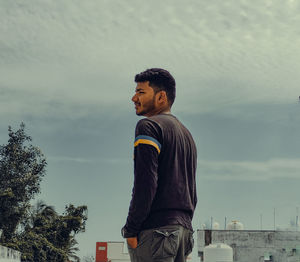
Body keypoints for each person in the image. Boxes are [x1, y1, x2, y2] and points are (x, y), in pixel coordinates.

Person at [122, 68, 197, 262]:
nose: (133, 98)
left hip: (156, 232)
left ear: (161, 97)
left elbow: (145, 183)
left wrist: (130, 229)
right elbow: (192, 191)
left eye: (141, 92)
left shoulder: (149, 126)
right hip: (183, 231)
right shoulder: (187, 136)